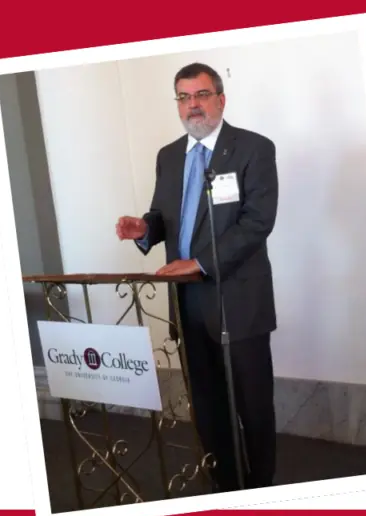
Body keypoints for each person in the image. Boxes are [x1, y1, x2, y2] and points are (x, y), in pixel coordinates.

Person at [115, 62, 278, 491]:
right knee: (207, 403)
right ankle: (223, 484)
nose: (193, 105)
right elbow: (167, 217)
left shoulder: (253, 149)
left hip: (238, 298)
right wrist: (146, 229)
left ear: (221, 99)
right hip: (187, 300)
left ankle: (263, 490)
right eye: (184, 97)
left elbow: (256, 223)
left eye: (202, 95)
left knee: (253, 402)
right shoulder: (169, 156)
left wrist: (200, 261)